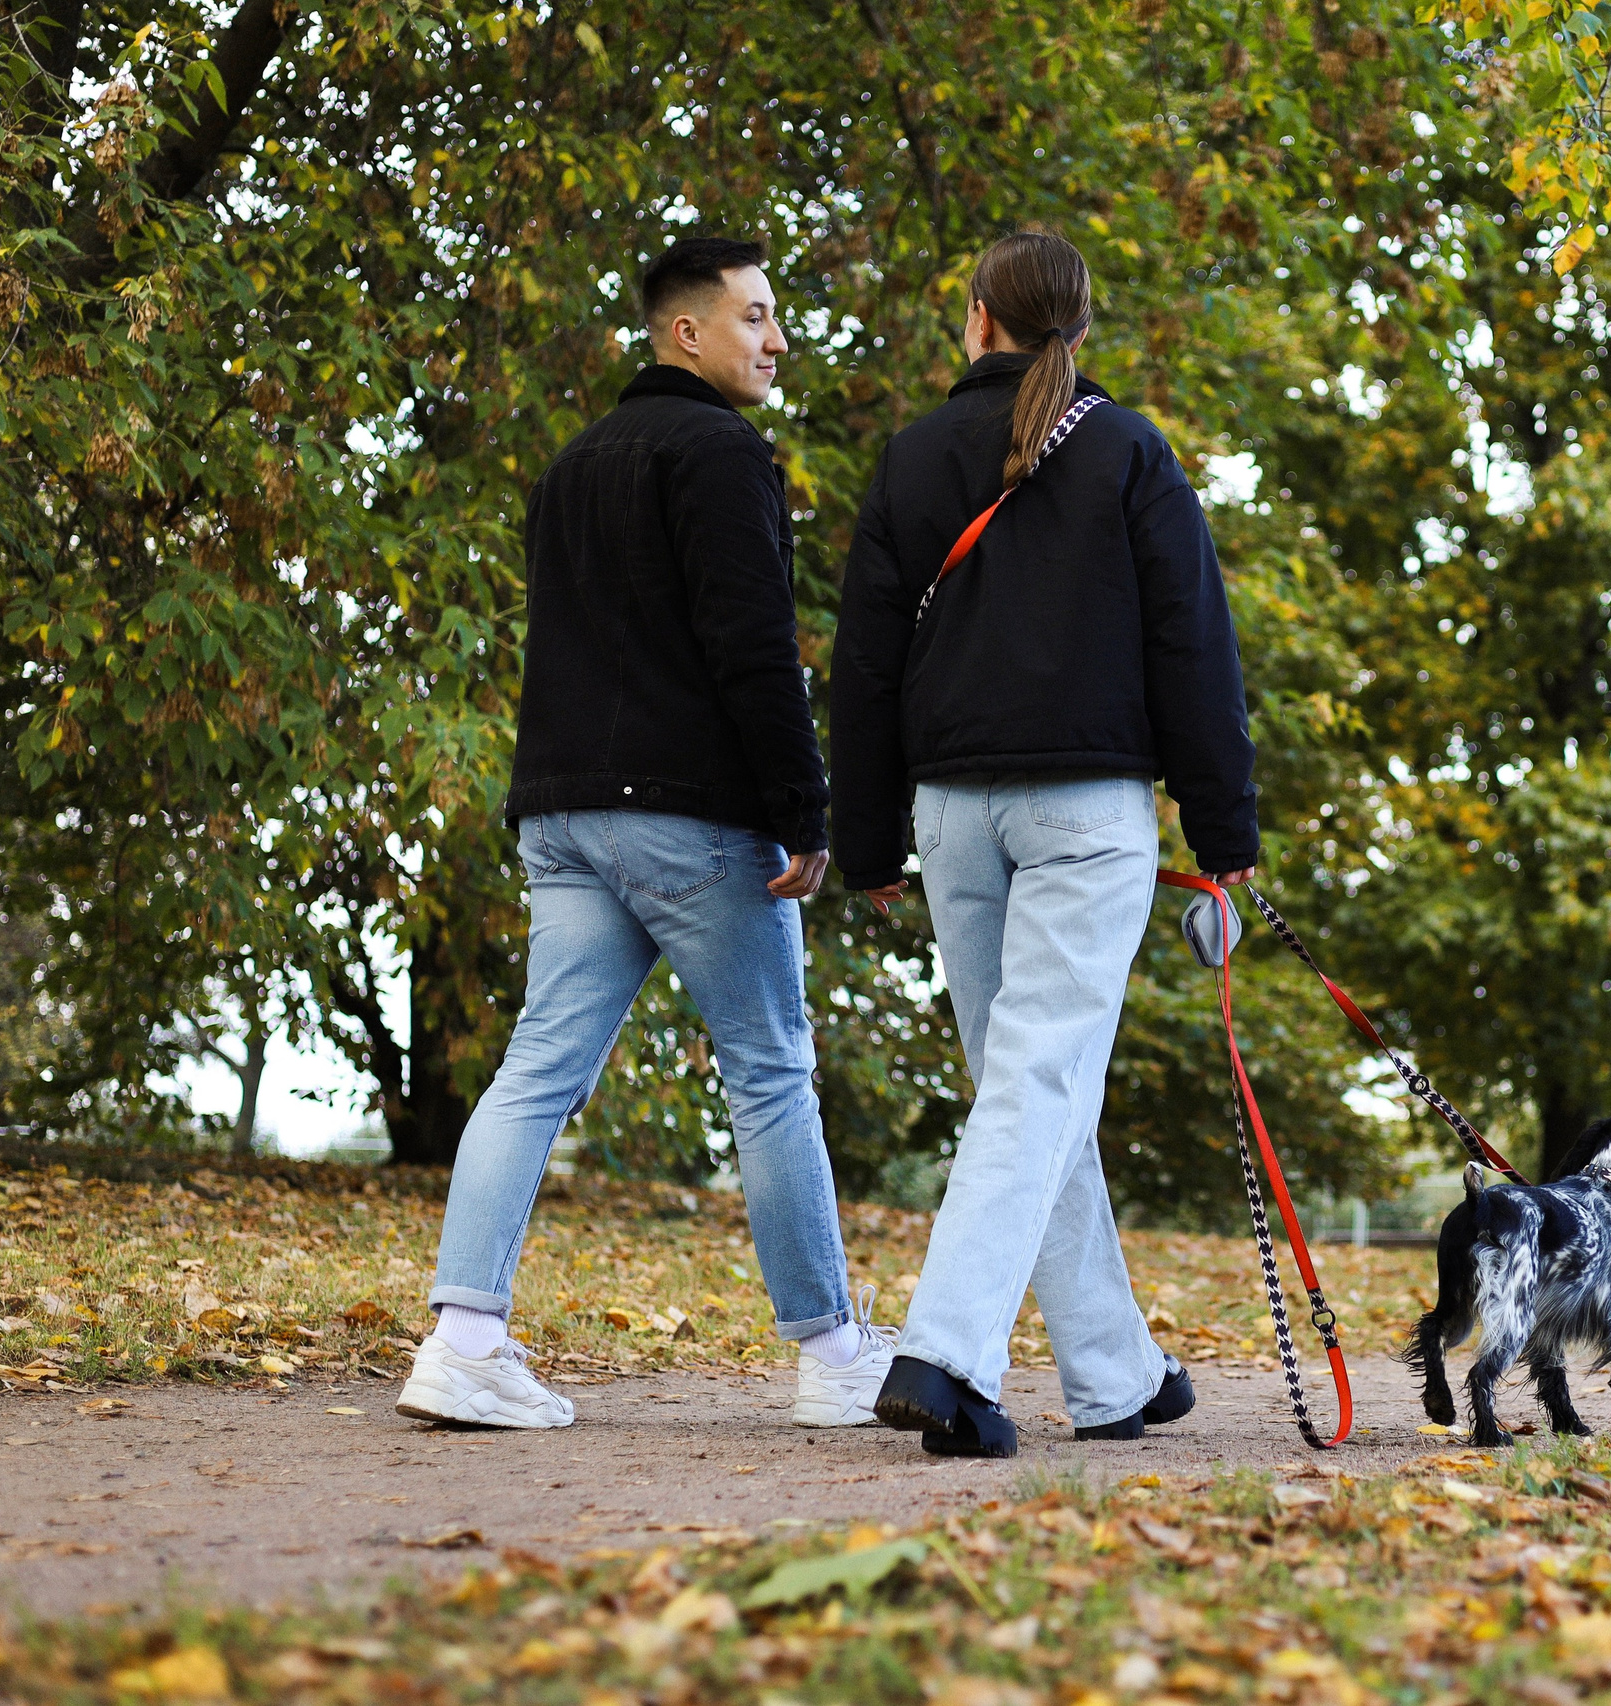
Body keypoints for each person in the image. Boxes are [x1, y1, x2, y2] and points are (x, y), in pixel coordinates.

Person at [397, 236, 895, 1431]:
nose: (776, 338)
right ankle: (834, 1354)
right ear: (687, 332)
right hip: (689, 816)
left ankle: (463, 1341)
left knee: (535, 1067)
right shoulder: (722, 454)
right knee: (769, 1070)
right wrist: (804, 805)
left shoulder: (571, 465)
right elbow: (753, 644)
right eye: (755, 316)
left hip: (564, 810)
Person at [829, 230, 1260, 1457]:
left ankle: (1114, 1373)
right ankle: (944, 1353)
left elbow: (865, 664)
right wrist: (1222, 826)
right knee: (1036, 1084)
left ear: (979, 320)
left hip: (950, 815)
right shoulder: (1129, 451)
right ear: (1080, 326)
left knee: (1026, 1086)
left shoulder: (911, 456)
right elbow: (1193, 646)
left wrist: (868, 838)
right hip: (1087, 809)